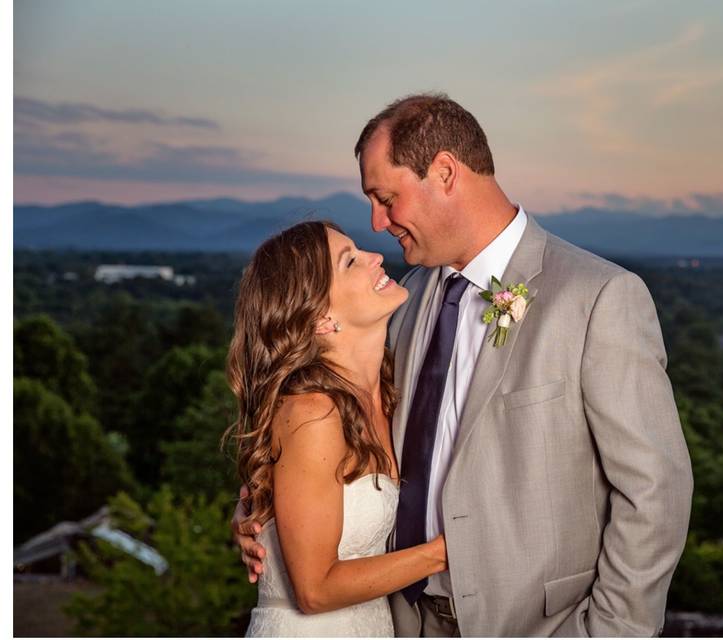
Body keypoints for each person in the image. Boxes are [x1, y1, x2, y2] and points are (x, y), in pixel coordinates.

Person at [235, 93, 694, 636]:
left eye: (386, 198)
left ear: (445, 172)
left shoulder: (597, 298)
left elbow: (655, 492)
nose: (378, 224)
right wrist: (259, 521)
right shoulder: (400, 308)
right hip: (401, 624)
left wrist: (610, 632)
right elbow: (327, 454)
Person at [225, 220, 447, 637]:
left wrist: (250, 511)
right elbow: (314, 590)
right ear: (322, 319)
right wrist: (445, 553)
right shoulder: (313, 413)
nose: (376, 257)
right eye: (351, 262)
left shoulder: (389, 388)